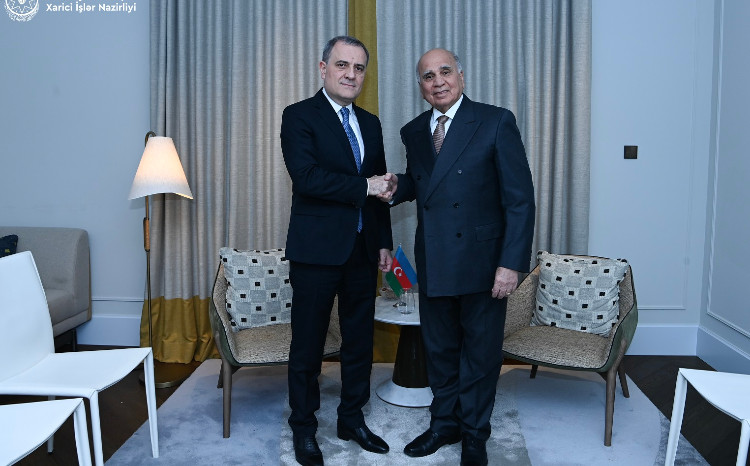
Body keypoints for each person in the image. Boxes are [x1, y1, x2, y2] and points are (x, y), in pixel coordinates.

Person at [384, 48, 536, 466]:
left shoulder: (495, 121)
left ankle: (474, 433)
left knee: (481, 356)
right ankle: (444, 424)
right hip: (434, 258)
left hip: (484, 262)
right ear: (421, 87)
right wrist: (396, 186)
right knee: (440, 350)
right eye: (428, 76)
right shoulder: (414, 131)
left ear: (461, 76)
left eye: (445, 72)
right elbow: (426, 183)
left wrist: (511, 263)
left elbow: (520, 200)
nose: (438, 82)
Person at [280, 36, 395, 466]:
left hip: (362, 251)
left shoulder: (371, 123)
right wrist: (365, 186)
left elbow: (379, 189)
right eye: (342, 65)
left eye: (359, 68)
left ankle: (351, 419)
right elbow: (307, 178)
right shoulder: (299, 115)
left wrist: (383, 241)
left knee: (359, 342)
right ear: (323, 68)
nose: (351, 74)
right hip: (315, 252)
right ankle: (303, 426)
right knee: (307, 346)